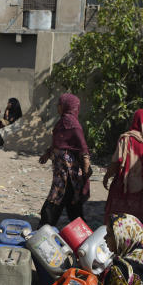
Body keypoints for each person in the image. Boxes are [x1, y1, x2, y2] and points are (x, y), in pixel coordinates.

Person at [102, 109, 143, 225]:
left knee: (118, 218)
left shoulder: (127, 139)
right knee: (139, 220)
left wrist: (107, 176)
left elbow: (116, 162)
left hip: (127, 185)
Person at [38, 93, 91, 227]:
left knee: (57, 199)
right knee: (71, 204)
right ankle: (80, 232)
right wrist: (47, 154)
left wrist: (85, 169)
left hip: (68, 174)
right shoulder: (62, 123)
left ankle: (44, 228)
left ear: (67, 106)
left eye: (59, 104)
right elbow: (58, 143)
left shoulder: (74, 125)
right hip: (60, 171)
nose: (57, 107)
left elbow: (83, 147)